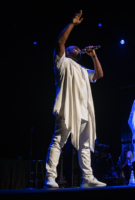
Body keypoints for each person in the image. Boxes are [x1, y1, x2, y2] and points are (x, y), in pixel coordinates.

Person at [44, 10, 106, 188]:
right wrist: (72, 24)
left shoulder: (82, 70)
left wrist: (93, 55)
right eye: (74, 48)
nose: (78, 49)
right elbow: (60, 42)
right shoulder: (61, 63)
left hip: (84, 111)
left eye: (79, 48)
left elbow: (99, 75)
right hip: (66, 108)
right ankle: (50, 177)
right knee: (59, 141)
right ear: (67, 52)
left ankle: (87, 178)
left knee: (85, 145)